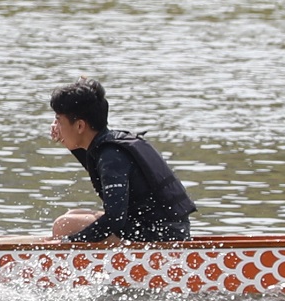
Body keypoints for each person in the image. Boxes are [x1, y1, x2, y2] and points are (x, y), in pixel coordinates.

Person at [47, 79, 193, 245]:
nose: (55, 126)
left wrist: (69, 242)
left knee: (63, 225)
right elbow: (95, 168)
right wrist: (67, 140)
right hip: (165, 229)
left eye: (59, 120)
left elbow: (115, 219)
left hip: (162, 237)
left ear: (80, 126)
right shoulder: (109, 147)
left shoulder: (111, 156)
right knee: (72, 215)